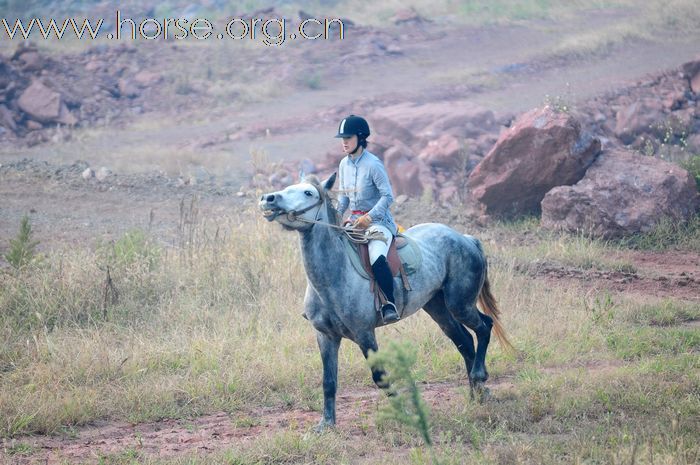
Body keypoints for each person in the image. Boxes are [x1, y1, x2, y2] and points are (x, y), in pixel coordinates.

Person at [335, 115, 400, 323]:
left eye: (348, 137)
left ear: (361, 137)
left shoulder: (374, 164)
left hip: (378, 223)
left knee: (376, 257)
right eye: (342, 138)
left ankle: (389, 304)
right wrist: (336, 217)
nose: (344, 142)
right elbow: (343, 197)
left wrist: (369, 217)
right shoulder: (343, 164)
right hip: (353, 223)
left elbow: (388, 196)